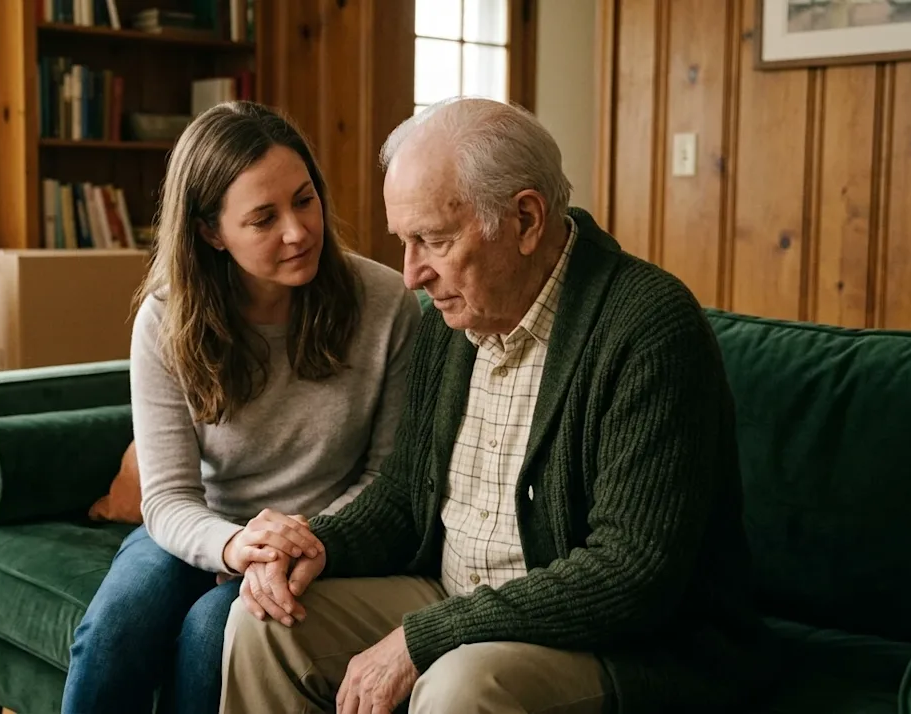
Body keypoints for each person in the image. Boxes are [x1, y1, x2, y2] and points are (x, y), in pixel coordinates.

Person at [218, 97, 773, 714]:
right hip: (455, 596)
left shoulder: (649, 327)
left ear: (527, 220)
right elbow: (406, 497)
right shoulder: (452, 321)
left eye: (432, 240)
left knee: (460, 686)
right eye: (403, 241)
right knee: (266, 624)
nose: (410, 275)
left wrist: (424, 638)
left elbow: (630, 572)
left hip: (623, 642)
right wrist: (315, 544)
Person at [59, 101, 422, 714]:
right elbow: (168, 498)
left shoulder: (385, 304)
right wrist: (236, 546)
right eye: (263, 218)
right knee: (115, 628)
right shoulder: (166, 319)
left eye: (305, 200)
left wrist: (294, 543)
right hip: (210, 526)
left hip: (325, 537)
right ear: (210, 232)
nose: (298, 231)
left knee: (212, 632)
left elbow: (387, 478)